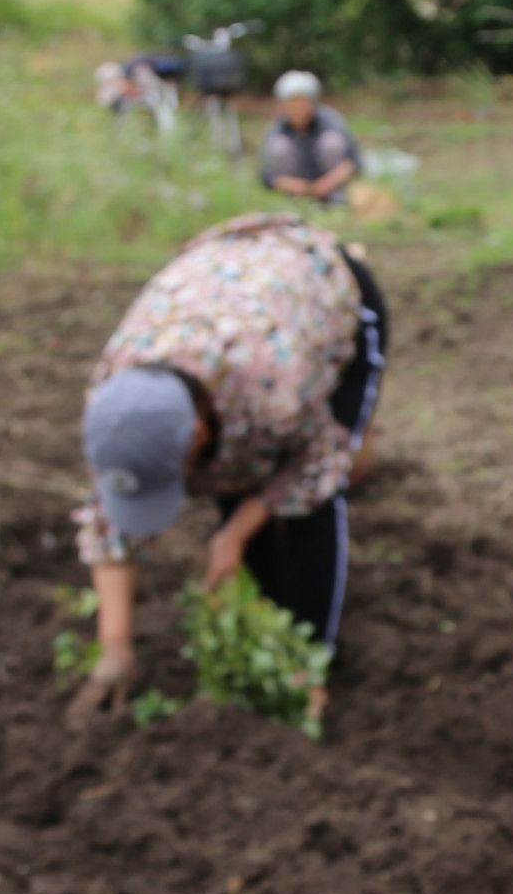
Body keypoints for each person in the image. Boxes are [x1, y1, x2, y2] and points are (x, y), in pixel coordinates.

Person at [68, 213, 388, 726]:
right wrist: (115, 646)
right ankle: (261, 598)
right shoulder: (115, 405)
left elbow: (315, 468)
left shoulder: (276, 388)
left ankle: (310, 668)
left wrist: (234, 535)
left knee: (310, 505)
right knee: (240, 479)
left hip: (323, 290)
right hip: (224, 293)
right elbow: (109, 519)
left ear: (198, 433)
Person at [257, 70, 360, 203]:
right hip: (297, 189)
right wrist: (293, 185)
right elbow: (266, 176)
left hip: (329, 184)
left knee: (332, 142)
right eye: (291, 102)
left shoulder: (331, 121)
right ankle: (292, 201)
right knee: (279, 146)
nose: (297, 108)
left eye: (301, 102)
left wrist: (327, 183)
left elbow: (354, 162)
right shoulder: (277, 129)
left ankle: (336, 197)